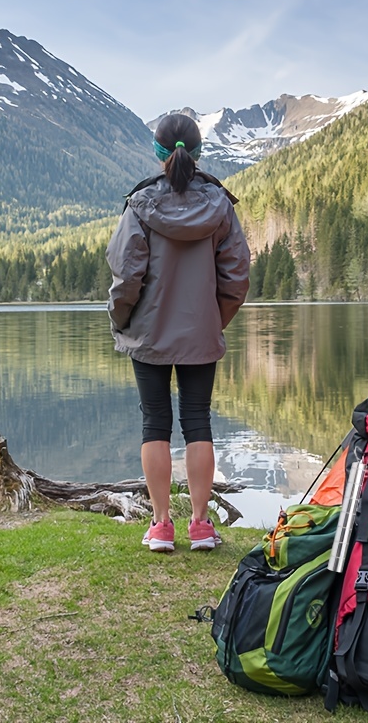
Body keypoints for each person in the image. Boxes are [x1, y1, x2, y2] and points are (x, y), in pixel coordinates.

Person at [105, 113, 251, 552]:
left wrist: (121, 318)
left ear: (158, 152)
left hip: (148, 334)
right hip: (200, 334)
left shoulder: (141, 204)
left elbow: (126, 274)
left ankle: (162, 525)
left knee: (155, 424)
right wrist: (213, 318)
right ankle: (202, 526)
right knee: (198, 422)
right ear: (197, 151)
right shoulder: (220, 205)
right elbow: (237, 276)